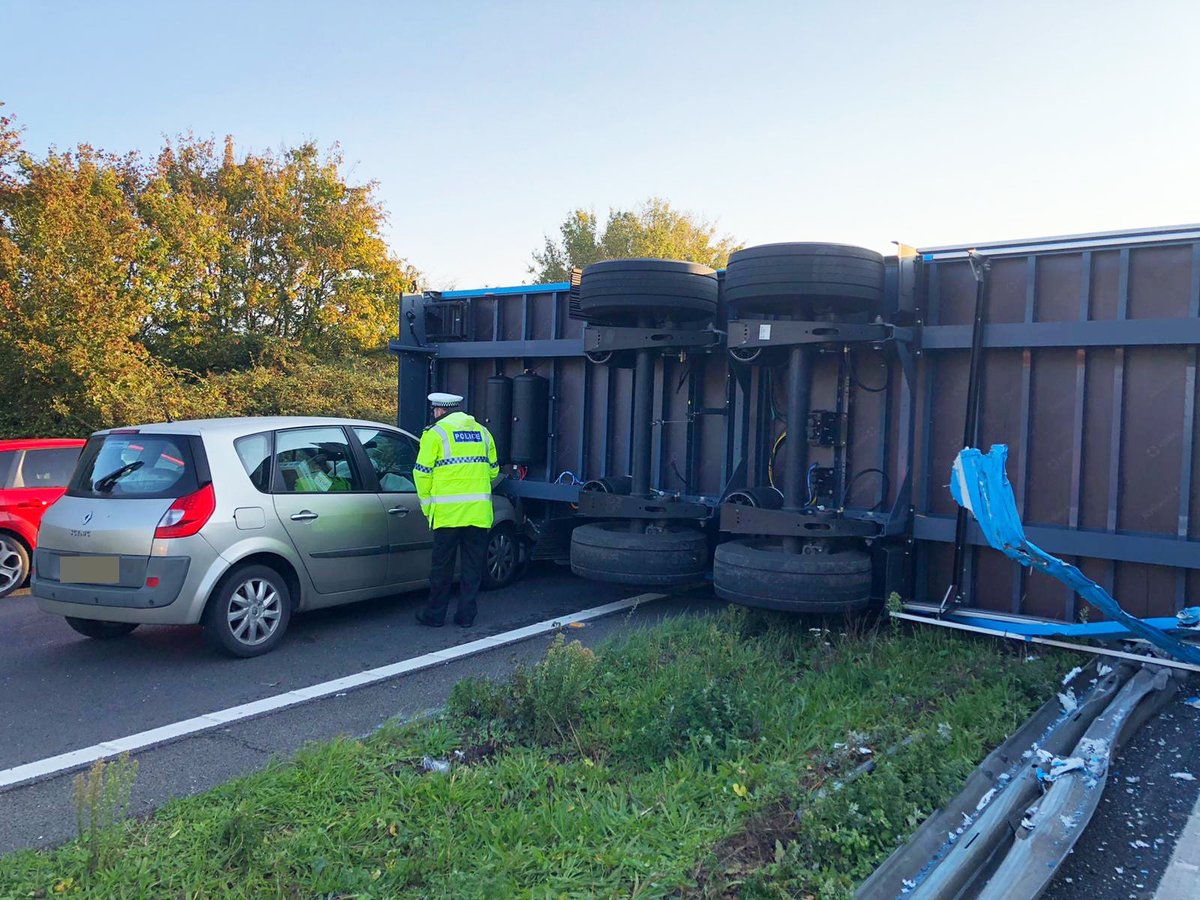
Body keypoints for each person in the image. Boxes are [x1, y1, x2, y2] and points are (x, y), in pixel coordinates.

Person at [412, 392, 501, 627]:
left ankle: (435, 615)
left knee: (442, 568)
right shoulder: (483, 433)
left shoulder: (435, 434)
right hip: (478, 514)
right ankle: (466, 616)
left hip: (447, 515)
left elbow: (421, 473)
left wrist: (426, 506)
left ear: (440, 411)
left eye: (435, 411)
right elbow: (493, 471)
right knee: (472, 568)